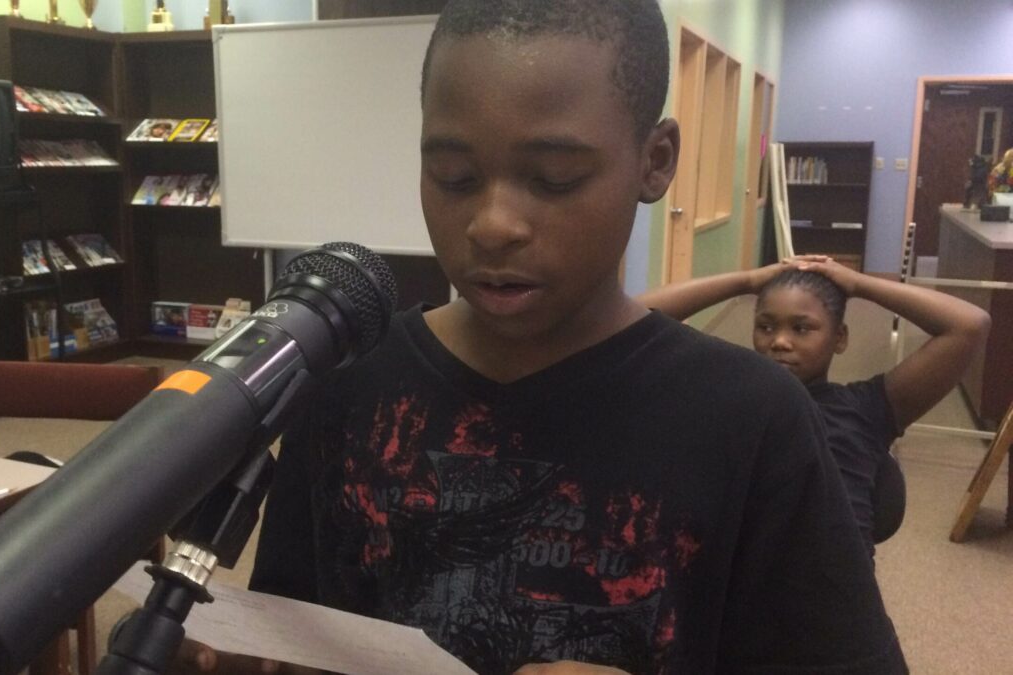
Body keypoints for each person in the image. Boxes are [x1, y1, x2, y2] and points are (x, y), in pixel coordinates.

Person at [171, 0, 908, 672]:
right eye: (454, 176)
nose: (493, 224)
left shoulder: (753, 417)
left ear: (655, 160)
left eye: (554, 179)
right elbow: (298, 627)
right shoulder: (348, 383)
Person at [637, 255, 990, 552]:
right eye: (765, 326)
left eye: (801, 328)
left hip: (838, 609)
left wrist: (859, 284)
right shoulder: (733, 399)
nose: (779, 342)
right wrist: (746, 280)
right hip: (746, 601)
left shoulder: (867, 409)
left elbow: (969, 325)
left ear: (840, 338)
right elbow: (635, 321)